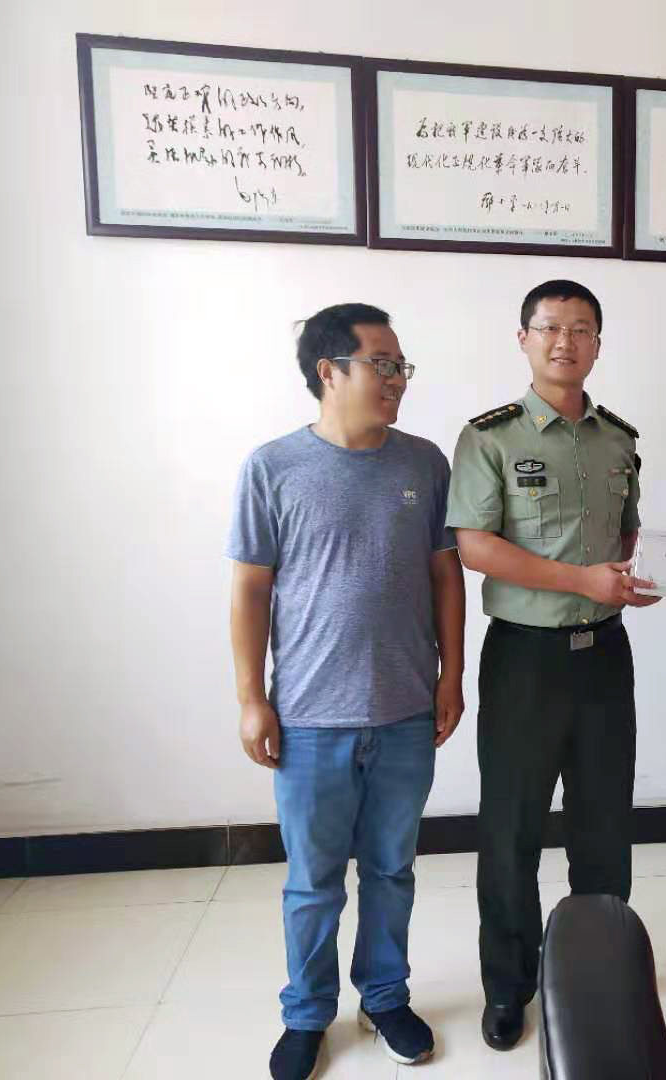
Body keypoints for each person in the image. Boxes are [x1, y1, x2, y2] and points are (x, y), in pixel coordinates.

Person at [228, 303, 465, 1079]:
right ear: (329, 371)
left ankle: (385, 997)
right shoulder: (273, 467)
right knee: (313, 882)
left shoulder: (424, 464)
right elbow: (251, 590)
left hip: (405, 711)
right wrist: (252, 697)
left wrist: (453, 674)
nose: (397, 379)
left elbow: (445, 577)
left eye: (402, 366)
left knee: (392, 870)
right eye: (382, 364)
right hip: (309, 718)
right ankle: (307, 1013)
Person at [445, 279, 660, 1051]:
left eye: (581, 329)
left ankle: (597, 974)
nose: (565, 341)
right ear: (524, 339)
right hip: (524, 659)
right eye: (549, 328)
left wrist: (639, 579)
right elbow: (475, 545)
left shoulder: (618, 439)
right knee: (512, 830)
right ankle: (510, 987)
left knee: (604, 826)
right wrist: (580, 581)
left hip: (605, 655)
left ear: (598, 342)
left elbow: (626, 537)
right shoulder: (490, 437)